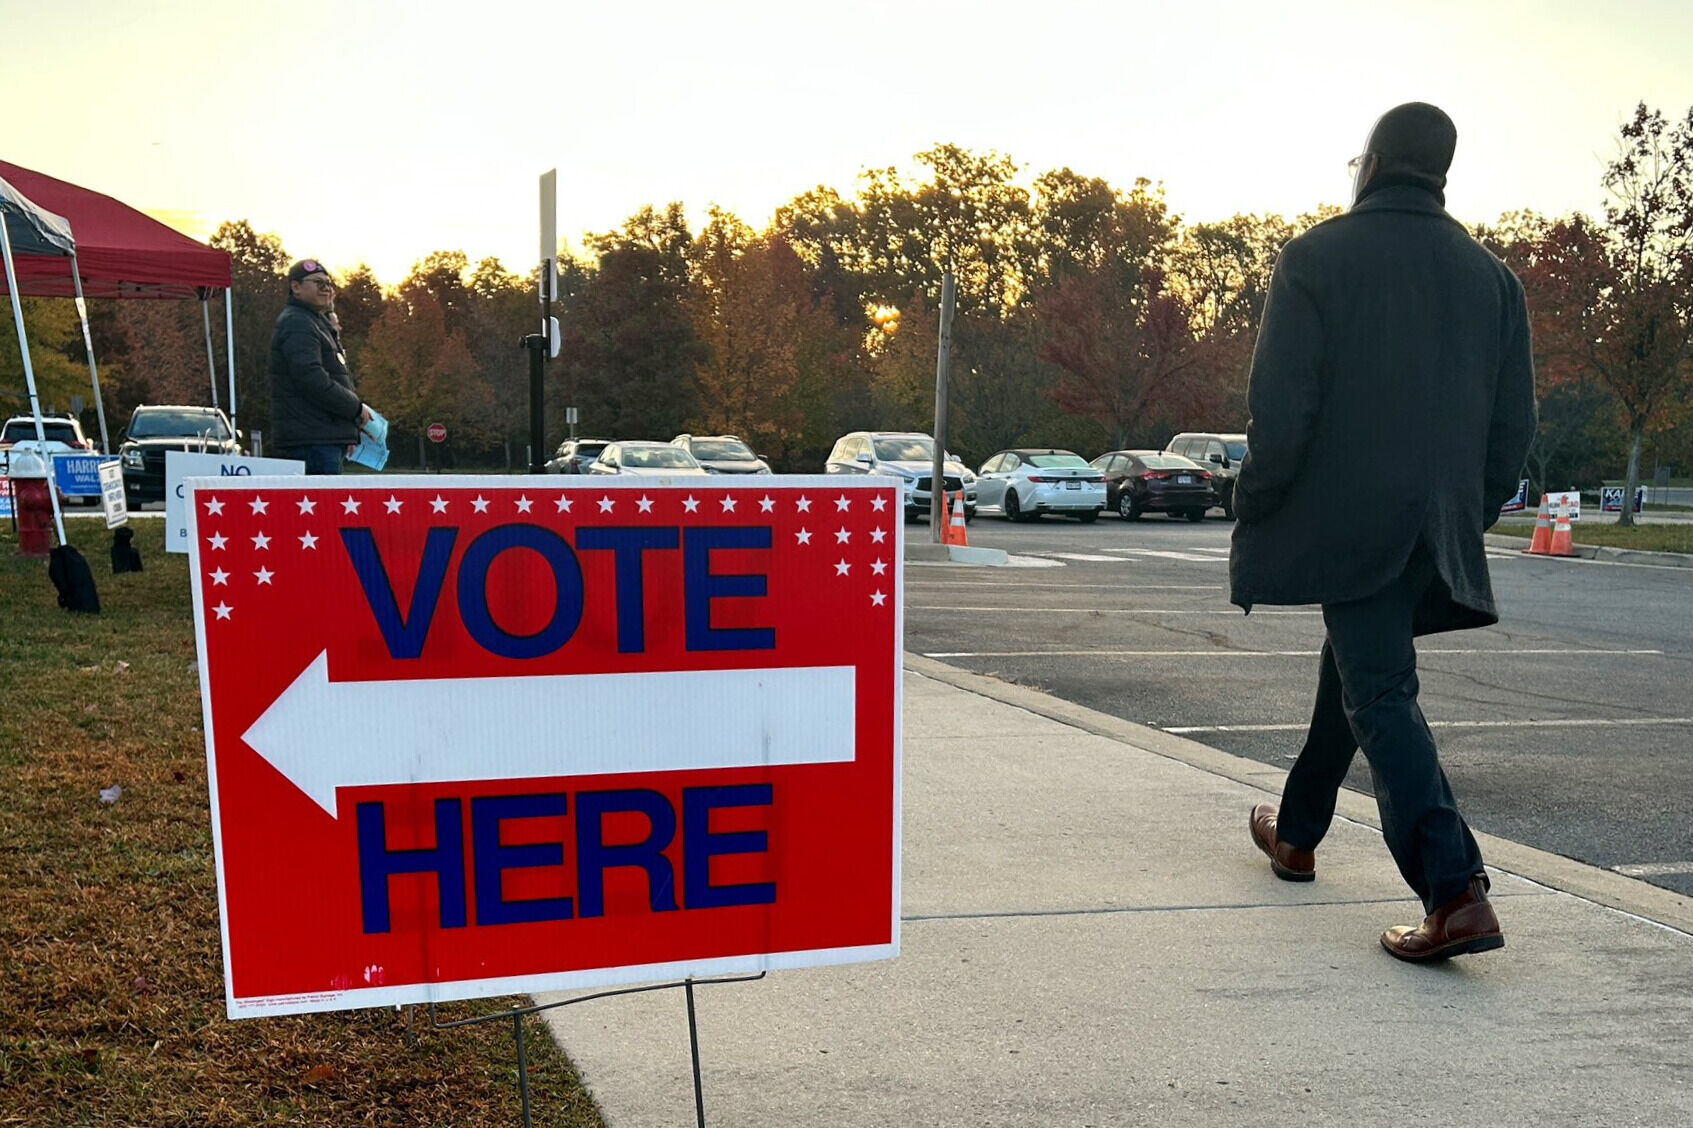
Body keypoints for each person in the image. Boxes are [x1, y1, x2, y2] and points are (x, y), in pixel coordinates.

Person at [1230, 103, 1537, 963]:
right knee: (1359, 675)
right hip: (1435, 525)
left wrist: (1257, 498)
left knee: (1378, 695)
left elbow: (1281, 411)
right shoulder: (1492, 280)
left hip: (1347, 520)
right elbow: (1511, 430)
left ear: (1369, 163)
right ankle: (1294, 833)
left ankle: (1454, 891)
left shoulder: (1316, 258)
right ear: (1440, 172)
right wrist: (1461, 514)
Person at [268, 259, 371, 474]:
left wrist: (346, 430)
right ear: (296, 287)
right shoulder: (298, 323)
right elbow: (312, 379)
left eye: (328, 283)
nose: (326, 288)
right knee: (323, 506)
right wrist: (355, 409)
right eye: (317, 282)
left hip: (320, 436)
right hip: (313, 441)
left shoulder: (313, 322)